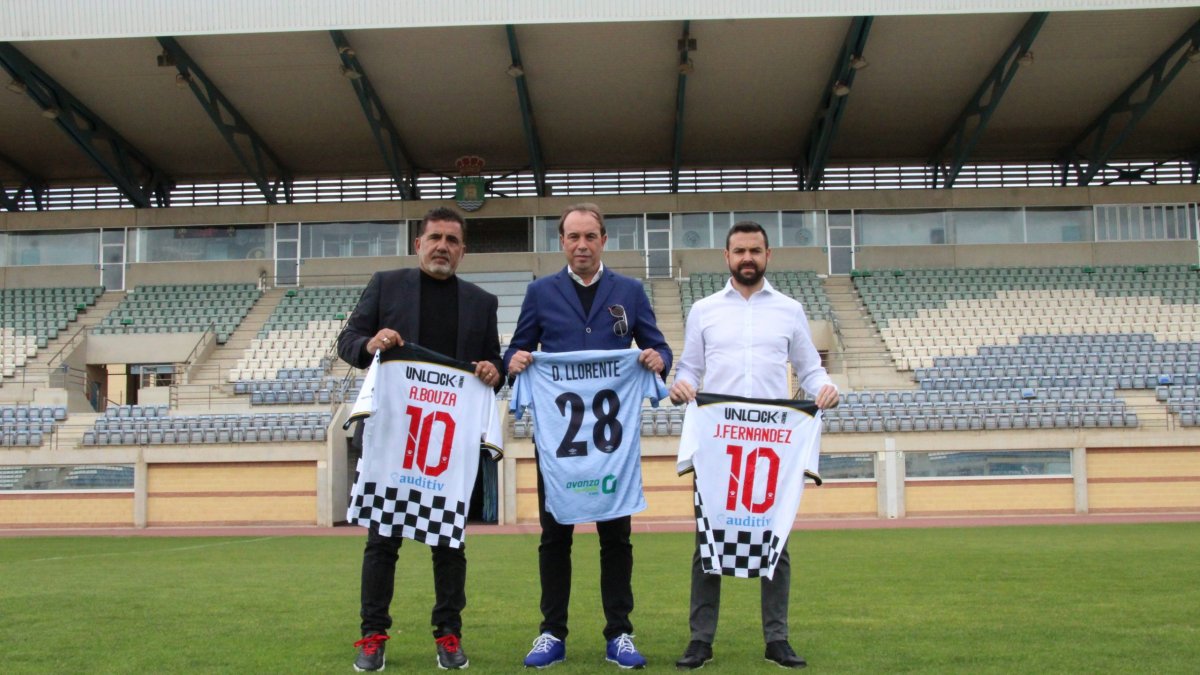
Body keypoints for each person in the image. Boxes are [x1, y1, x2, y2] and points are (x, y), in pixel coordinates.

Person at [504, 202, 673, 669]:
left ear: (603, 241)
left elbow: (658, 344)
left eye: (590, 237)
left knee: (615, 539)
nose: (581, 245)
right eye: (573, 237)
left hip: (611, 447)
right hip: (559, 446)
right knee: (554, 537)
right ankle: (551, 633)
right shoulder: (540, 292)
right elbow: (518, 348)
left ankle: (619, 632)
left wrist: (659, 358)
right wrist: (513, 361)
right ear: (562, 242)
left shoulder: (630, 291)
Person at [337, 206, 503, 672]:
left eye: (452, 240)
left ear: (463, 251)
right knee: (382, 540)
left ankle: (448, 635)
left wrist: (495, 370)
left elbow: (493, 365)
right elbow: (348, 341)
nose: (442, 247)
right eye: (435, 238)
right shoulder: (386, 285)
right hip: (391, 437)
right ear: (418, 244)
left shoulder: (481, 302)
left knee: (450, 543)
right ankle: (373, 636)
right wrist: (371, 345)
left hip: (449, 448)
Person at [668, 221, 839, 670]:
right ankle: (700, 641)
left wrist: (826, 387)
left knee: (775, 542)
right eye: (740, 250)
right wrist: (680, 386)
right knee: (708, 543)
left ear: (768, 255)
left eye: (755, 250)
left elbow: (810, 370)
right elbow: (689, 368)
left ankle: (776, 640)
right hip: (718, 445)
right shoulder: (703, 310)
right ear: (726, 256)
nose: (748, 258)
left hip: (771, 445)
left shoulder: (790, 310)